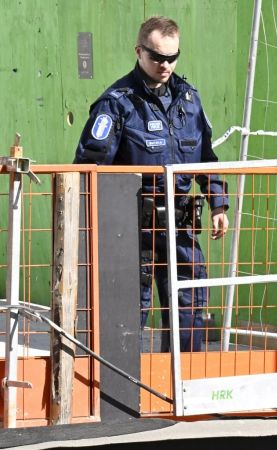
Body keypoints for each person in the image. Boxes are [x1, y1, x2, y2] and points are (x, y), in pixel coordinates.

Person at [74, 16, 228, 352]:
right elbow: (88, 168)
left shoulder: (189, 100)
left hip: (182, 226)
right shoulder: (117, 103)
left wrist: (217, 203)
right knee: (129, 313)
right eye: (157, 57)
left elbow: (205, 156)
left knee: (189, 308)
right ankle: (120, 393)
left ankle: (182, 391)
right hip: (134, 230)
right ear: (139, 52)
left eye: (172, 58)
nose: (165, 65)